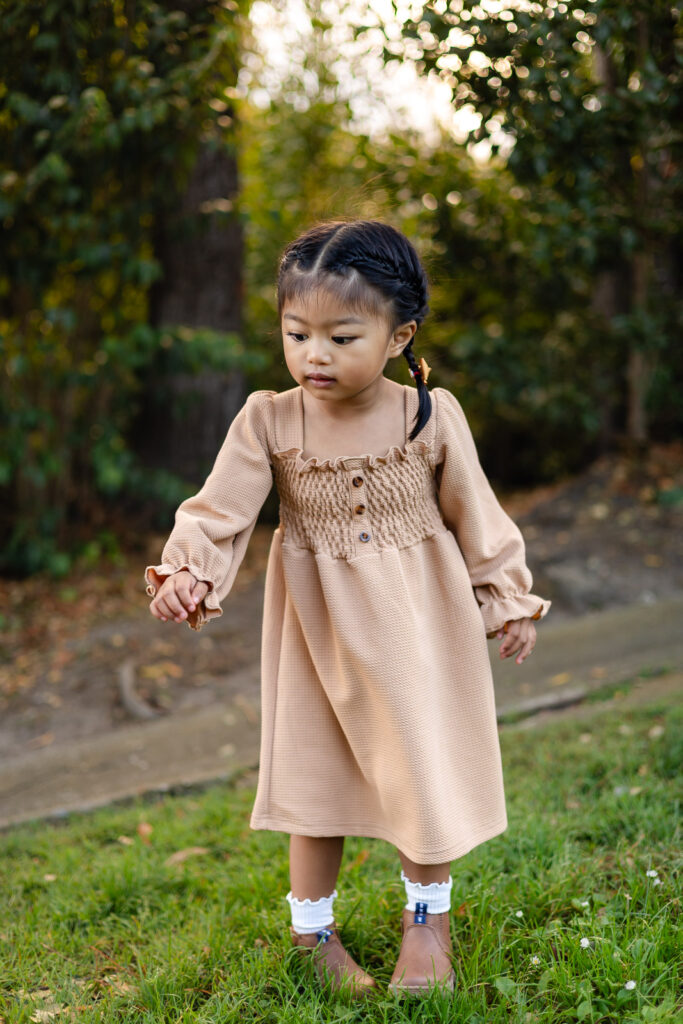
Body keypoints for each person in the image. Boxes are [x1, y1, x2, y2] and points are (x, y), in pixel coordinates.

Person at [145, 219, 551, 1000]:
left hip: (418, 625)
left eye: (340, 335)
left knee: (420, 763)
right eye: (296, 333)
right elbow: (218, 512)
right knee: (314, 772)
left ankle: (426, 921)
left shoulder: (428, 417)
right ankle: (312, 934)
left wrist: (506, 599)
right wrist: (188, 571)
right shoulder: (269, 418)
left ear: (398, 335)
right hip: (315, 630)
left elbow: (479, 515)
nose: (313, 355)